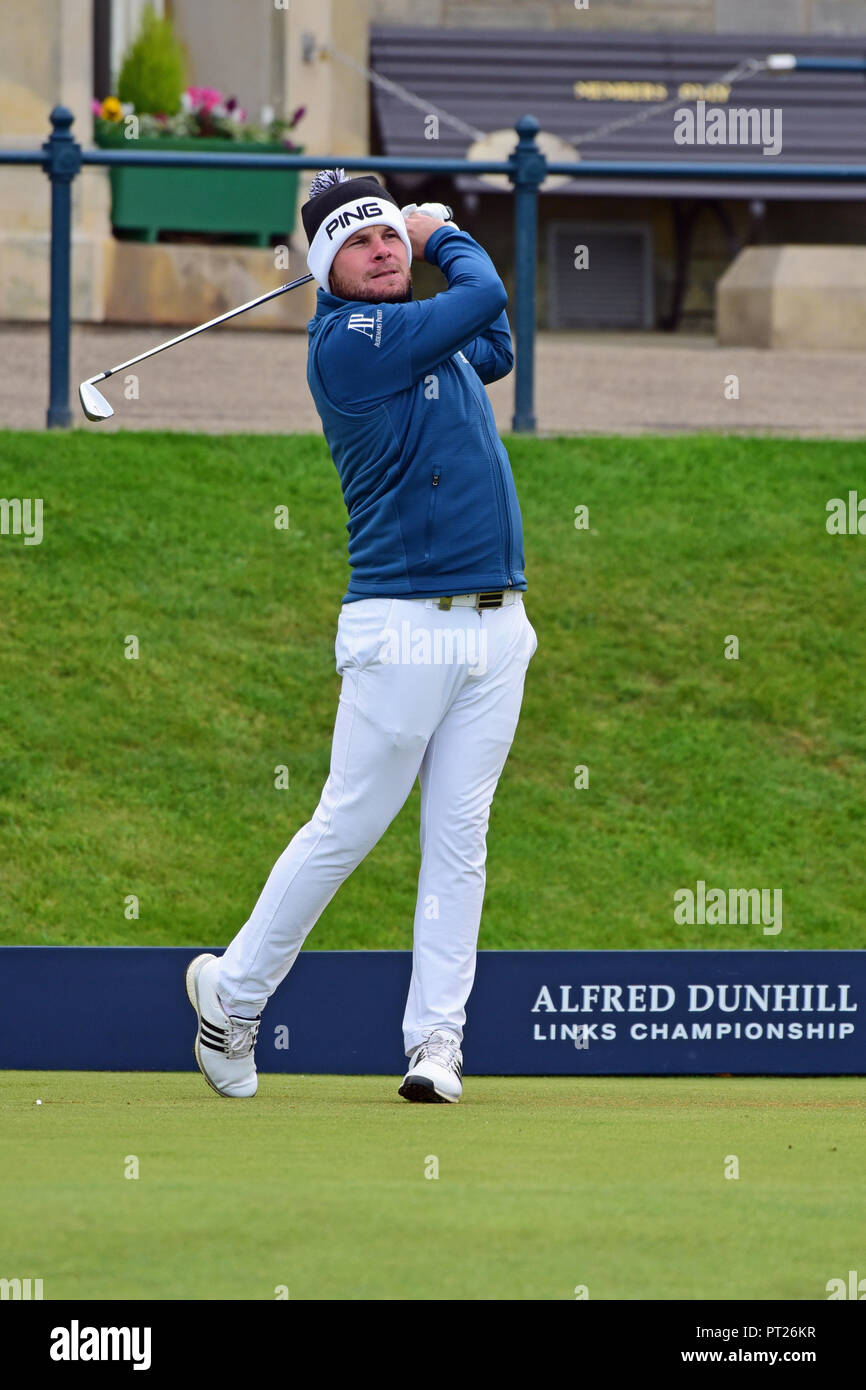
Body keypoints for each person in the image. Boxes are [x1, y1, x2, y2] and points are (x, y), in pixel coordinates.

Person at [186, 169, 537, 1103]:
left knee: (460, 840)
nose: (384, 249)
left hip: (498, 627)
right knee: (349, 825)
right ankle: (234, 999)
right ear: (326, 271)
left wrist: (434, 238)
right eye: (360, 242)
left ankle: (437, 1046)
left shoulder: (431, 333)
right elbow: (487, 293)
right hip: (403, 625)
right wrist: (438, 228)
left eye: (389, 236)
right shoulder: (351, 342)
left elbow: (496, 338)